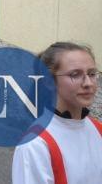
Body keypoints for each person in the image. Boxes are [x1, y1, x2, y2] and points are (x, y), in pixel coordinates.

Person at [12, 42, 102, 183]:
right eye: (75, 74)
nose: (88, 83)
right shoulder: (35, 144)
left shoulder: (98, 129)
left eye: (92, 74)